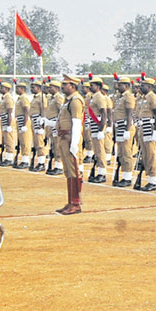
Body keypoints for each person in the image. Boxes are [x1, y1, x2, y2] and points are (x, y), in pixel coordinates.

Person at [55, 75, 85, 215]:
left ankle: (76, 203)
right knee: (68, 171)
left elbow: (77, 122)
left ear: (72, 85)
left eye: (65, 84)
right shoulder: (67, 101)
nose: (62, 87)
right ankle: (70, 202)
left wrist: (75, 143)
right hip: (64, 138)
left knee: (74, 171)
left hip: (70, 139)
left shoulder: (76, 100)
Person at [137, 77, 156, 191]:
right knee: (145, 154)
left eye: (143, 85)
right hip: (143, 127)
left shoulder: (152, 97)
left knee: (151, 155)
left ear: (150, 87)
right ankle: (149, 179)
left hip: (150, 128)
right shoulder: (144, 98)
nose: (141, 87)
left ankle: (153, 181)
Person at [112, 76, 136, 187]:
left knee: (126, 153)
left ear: (126, 86)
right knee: (121, 153)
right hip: (119, 126)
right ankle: (124, 175)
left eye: (120, 85)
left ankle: (127, 178)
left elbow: (129, 114)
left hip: (125, 127)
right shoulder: (120, 97)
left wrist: (127, 130)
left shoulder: (128, 97)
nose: (118, 86)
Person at [87, 76, 110, 183]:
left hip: (98, 124)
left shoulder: (99, 97)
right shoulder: (93, 96)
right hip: (94, 124)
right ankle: (99, 172)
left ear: (98, 86)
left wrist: (101, 130)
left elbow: (104, 113)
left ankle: (102, 173)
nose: (90, 87)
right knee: (96, 150)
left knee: (100, 150)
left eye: (92, 85)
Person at [44, 80, 65, 175]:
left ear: (56, 88)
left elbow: (62, 111)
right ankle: (55, 165)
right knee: (53, 145)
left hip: (55, 123)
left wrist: (58, 123)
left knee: (57, 145)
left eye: (51, 87)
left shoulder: (58, 98)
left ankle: (59, 166)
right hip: (50, 123)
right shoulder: (51, 98)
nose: (49, 89)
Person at [29, 79, 49, 171]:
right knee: (36, 142)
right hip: (34, 120)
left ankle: (41, 163)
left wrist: (42, 126)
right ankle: (39, 161)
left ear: (38, 88)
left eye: (33, 87)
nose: (31, 89)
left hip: (38, 121)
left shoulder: (42, 98)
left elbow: (44, 110)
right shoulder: (36, 98)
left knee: (40, 143)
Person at [0, 81, 17, 167]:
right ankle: (7, 157)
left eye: (2, 88)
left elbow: (10, 112)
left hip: (7, 120)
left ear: (7, 89)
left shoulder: (8, 98)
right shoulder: (4, 98)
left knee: (9, 140)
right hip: (4, 120)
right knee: (5, 139)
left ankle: (9, 158)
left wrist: (9, 125)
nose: (1, 89)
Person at [14, 80, 32, 169]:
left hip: (24, 121)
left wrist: (25, 124)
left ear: (22, 89)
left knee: (25, 141)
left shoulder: (24, 98)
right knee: (21, 141)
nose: (16, 90)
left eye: (18, 88)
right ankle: (23, 159)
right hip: (20, 120)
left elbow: (27, 110)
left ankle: (25, 160)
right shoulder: (20, 98)